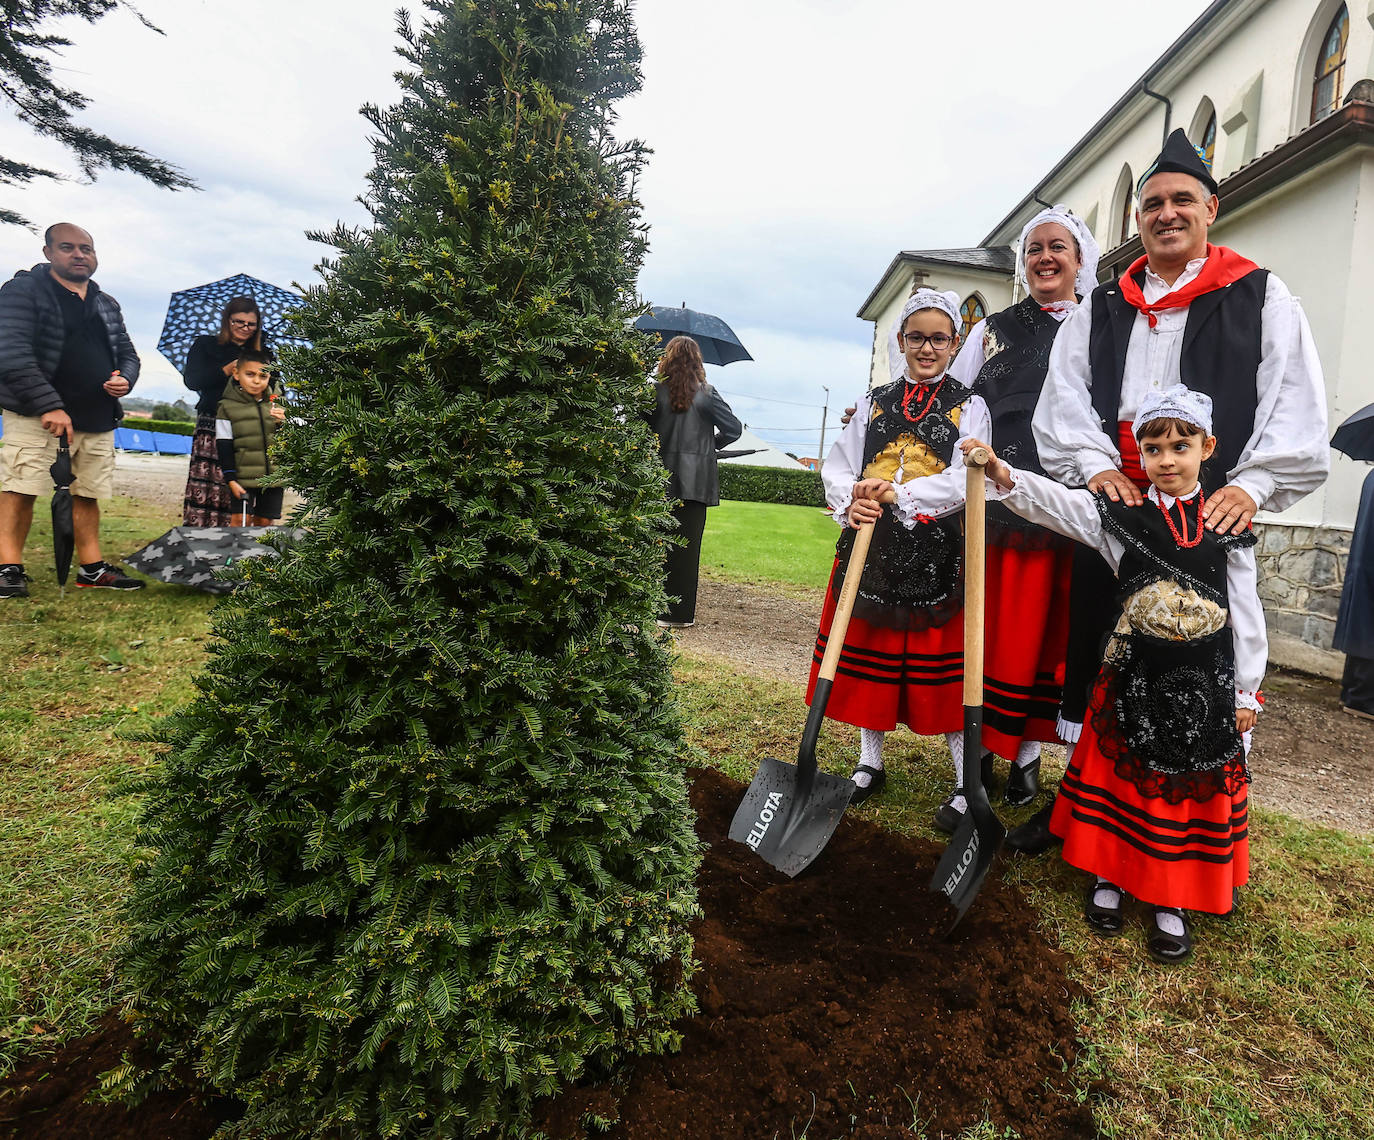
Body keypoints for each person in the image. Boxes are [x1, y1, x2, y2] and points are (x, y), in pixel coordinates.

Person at [1014, 128, 1329, 854]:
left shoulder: (1261, 294)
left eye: (1182, 199)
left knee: (1209, 659)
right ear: (1137, 220)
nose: (1166, 213)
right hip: (1124, 501)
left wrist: (1251, 485)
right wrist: (1094, 465)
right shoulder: (1102, 305)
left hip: (1209, 505)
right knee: (1106, 656)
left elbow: (1294, 402)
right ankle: (1086, 811)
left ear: (1211, 208)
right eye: (1152, 203)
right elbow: (1066, 398)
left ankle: (1202, 829)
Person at [966, 385, 1264, 964]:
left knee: (1176, 793)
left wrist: (1247, 688)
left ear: (1208, 447)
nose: (1168, 459)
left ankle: (1169, 898)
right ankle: (1108, 876)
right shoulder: (1122, 517)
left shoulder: (1228, 524)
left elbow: (1247, 609)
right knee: (1119, 783)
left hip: (1202, 688)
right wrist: (1005, 474)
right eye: (1154, 448)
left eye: (1181, 446)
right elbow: (1059, 505)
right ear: (1139, 452)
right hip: (1130, 682)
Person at [943, 205, 1101, 815]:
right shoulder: (993, 331)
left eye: (1057, 247)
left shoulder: (1099, 327)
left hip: (1064, 508)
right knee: (994, 632)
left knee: (1048, 638)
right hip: (996, 507)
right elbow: (953, 402)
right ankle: (979, 755)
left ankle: (1028, 758)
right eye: (1034, 249)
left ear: (1079, 259)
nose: (1045, 258)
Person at [812, 288, 990, 813]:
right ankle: (870, 761)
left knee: (947, 671)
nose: (927, 348)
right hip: (871, 548)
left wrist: (901, 494)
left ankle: (964, 779)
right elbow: (840, 465)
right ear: (902, 341)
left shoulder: (970, 405)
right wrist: (853, 503)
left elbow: (967, 478)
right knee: (873, 661)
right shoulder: (873, 401)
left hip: (939, 551)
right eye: (917, 338)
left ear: (955, 342)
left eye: (939, 338)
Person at [0, 222, 144, 598]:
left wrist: (125, 380)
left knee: (87, 492)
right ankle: (8, 568)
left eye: (87, 248)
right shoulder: (23, 292)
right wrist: (49, 404)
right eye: (68, 247)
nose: (79, 254)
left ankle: (92, 569)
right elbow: (11, 354)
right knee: (21, 487)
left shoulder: (105, 303)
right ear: (48, 252)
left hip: (95, 417)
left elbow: (128, 354)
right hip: (37, 416)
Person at [646, 335, 742, 627]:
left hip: (657, 481)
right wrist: (709, 445)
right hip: (696, 483)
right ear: (698, 361)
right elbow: (734, 429)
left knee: (655, 545)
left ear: (667, 358)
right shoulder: (707, 393)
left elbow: (640, 431)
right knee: (687, 550)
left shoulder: (653, 392)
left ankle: (651, 609)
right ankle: (678, 615)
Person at [182, 297, 267, 526]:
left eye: (251, 324)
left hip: (248, 429)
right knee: (209, 484)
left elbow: (273, 389)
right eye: (239, 322)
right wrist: (225, 370)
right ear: (227, 321)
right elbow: (192, 380)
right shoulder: (205, 345)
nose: (244, 328)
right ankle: (201, 534)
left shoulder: (262, 353)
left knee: (243, 486)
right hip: (212, 424)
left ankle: (238, 545)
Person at [215, 350, 286, 526]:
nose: (256, 381)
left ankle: (262, 555)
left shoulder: (280, 404)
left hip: (274, 478)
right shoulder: (226, 407)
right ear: (236, 374)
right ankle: (236, 554)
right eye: (250, 374)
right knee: (239, 522)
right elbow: (224, 445)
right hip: (241, 478)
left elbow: (293, 440)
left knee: (266, 524)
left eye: (263, 376)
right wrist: (230, 479)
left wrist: (286, 422)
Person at [1334, 465, 1374, 719]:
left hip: (1365, 560)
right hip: (1370, 562)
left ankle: (1352, 691)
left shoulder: (1372, 476)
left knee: (1361, 625)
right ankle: (1361, 699)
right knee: (1367, 628)